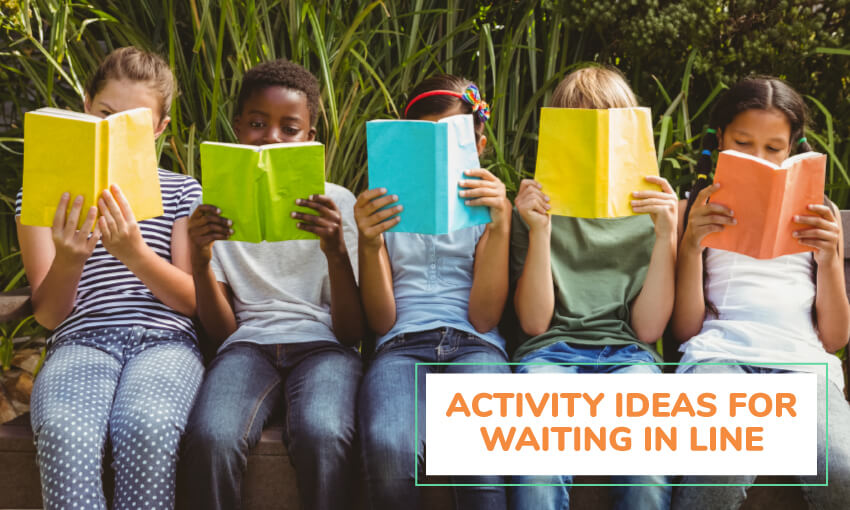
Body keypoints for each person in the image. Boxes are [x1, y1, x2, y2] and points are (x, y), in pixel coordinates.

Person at [17, 46, 203, 509]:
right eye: (105, 114)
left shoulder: (182, 190)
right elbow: (48, 315)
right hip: (81, 340)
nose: (113, 127)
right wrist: (70, 258)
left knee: (147, 427)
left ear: (158, 129)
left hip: (165, 342)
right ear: (86, 107)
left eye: (134, 121)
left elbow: (192, 300)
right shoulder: (39, 196)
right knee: (64, 431)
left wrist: (134, 253)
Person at [179, 59, 364, 510]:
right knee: (212, 437)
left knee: (325, 433)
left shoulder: (338, 203)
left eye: (290, 129)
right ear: (238, 126)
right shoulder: (212, 206)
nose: (272, 138)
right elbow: (222, 332)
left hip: (324, 346)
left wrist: (335, 250)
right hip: (247, 345)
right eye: (258, 124)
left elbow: (352, 332)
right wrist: (201, 260)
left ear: (311, 139)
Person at [671, 76, 850, 509]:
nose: (758, 158)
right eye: (743, 143)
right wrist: (692, 247)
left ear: (793, 148)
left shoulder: (819, 216)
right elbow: (684, 328)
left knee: (840, 466)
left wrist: (828, 260)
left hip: (804, 369)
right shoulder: (694, 209)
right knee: (722, 461)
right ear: (720, 139)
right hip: (719, 359)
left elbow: (835, 338)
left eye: (773, 149)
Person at [509, 65, 676, 510]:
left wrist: (666, 236)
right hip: (549, 355)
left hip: (628, 357)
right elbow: (533, 321)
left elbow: (647, 330)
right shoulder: (535, 208)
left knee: (648, 473)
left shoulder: (649, 211)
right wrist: (540, 231)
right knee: (537, 470)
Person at [356, 74, 511, 509]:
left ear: (478, 146)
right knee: (389, 451)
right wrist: (369, 242)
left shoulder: (490, 212)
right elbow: (381, 320)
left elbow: (484, 318)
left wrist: (501, 227)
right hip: (399, 344)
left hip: (475, 342)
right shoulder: (381, 208)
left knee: (479, 458)